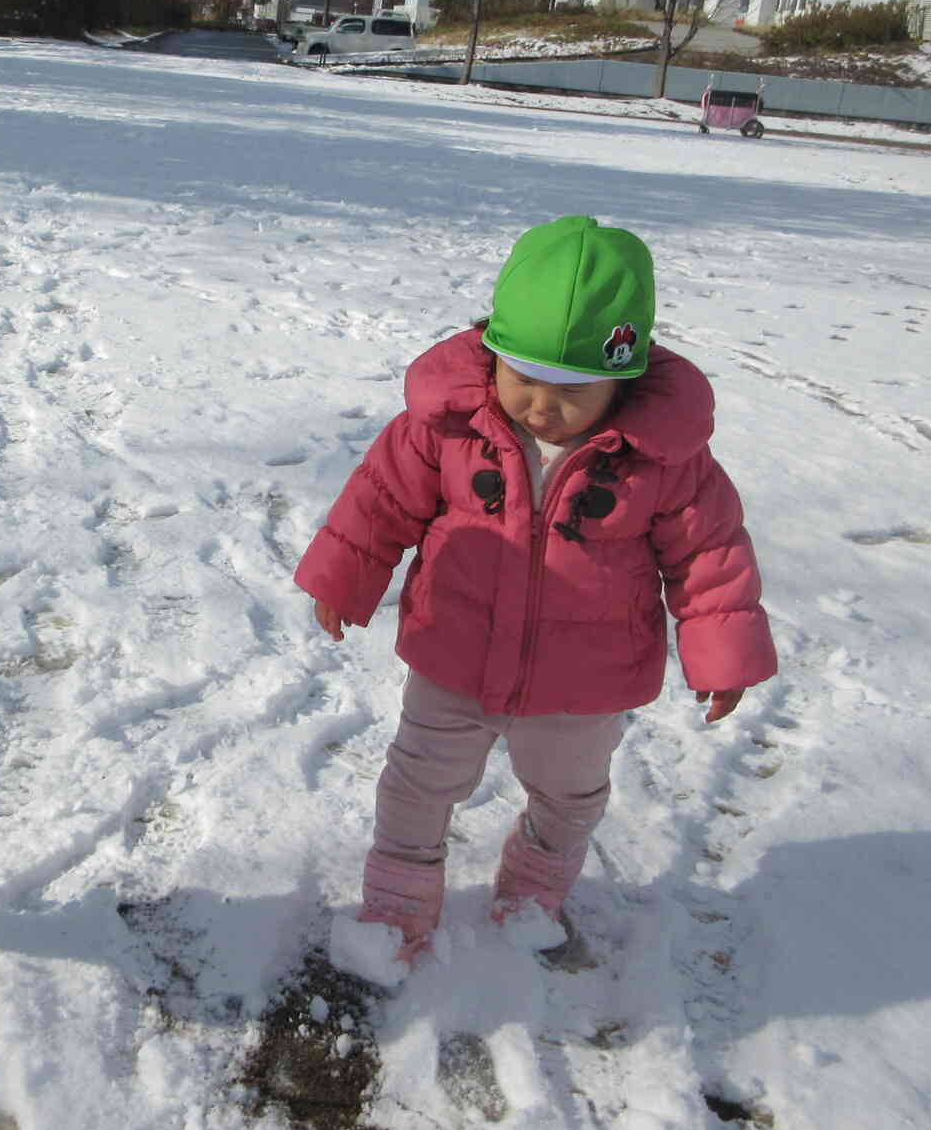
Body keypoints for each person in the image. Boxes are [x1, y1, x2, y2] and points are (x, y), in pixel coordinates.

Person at [295, 214, 776, 966]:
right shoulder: (447, 427)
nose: (544, 408)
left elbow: (709, 553)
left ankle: (534, 891)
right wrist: (344, 574)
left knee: (570, 795)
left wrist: (722, 652)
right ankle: (394, 904)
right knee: (418, 783)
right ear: (490, 351)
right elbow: (381, 498)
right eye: (523, 379)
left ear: (625, 377)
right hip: (453, 653)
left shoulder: (665, 459)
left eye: (574, 391)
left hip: (586, 680)